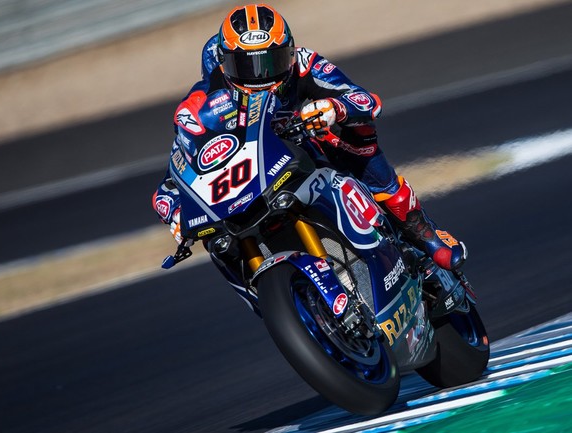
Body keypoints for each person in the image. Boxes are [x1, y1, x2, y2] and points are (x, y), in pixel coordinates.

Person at [153, 3, 466, 272]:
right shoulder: (203, 102)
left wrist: (333, 108)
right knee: (214, 242)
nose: (261, 76)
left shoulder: (304, 64)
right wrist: (176, 212)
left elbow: (367, 101)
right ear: (225, 64)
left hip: (303, 151)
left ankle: (422, 231)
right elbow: (172, 179)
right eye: (247, 65)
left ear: (289, 53)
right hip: (247, 185)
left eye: (271, 62)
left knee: (356, 132)